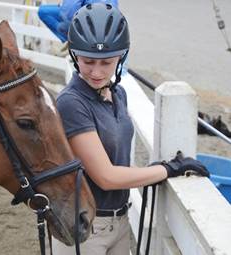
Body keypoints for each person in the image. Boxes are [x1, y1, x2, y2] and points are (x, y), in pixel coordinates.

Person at [54, 3, 209, 255]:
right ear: (74, 56)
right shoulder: (71, 103)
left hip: (121, 222)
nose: (96, 72)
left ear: (120, 57)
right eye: (87, 61)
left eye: (106, 62)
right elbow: (106, 177)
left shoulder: (118, 94)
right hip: (86, 228)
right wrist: (167, 169)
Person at [38, 0, 118, 43]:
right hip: (112, 30)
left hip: (87, 30)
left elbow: (69, 14)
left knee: (43, 11)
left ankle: (68, 38)